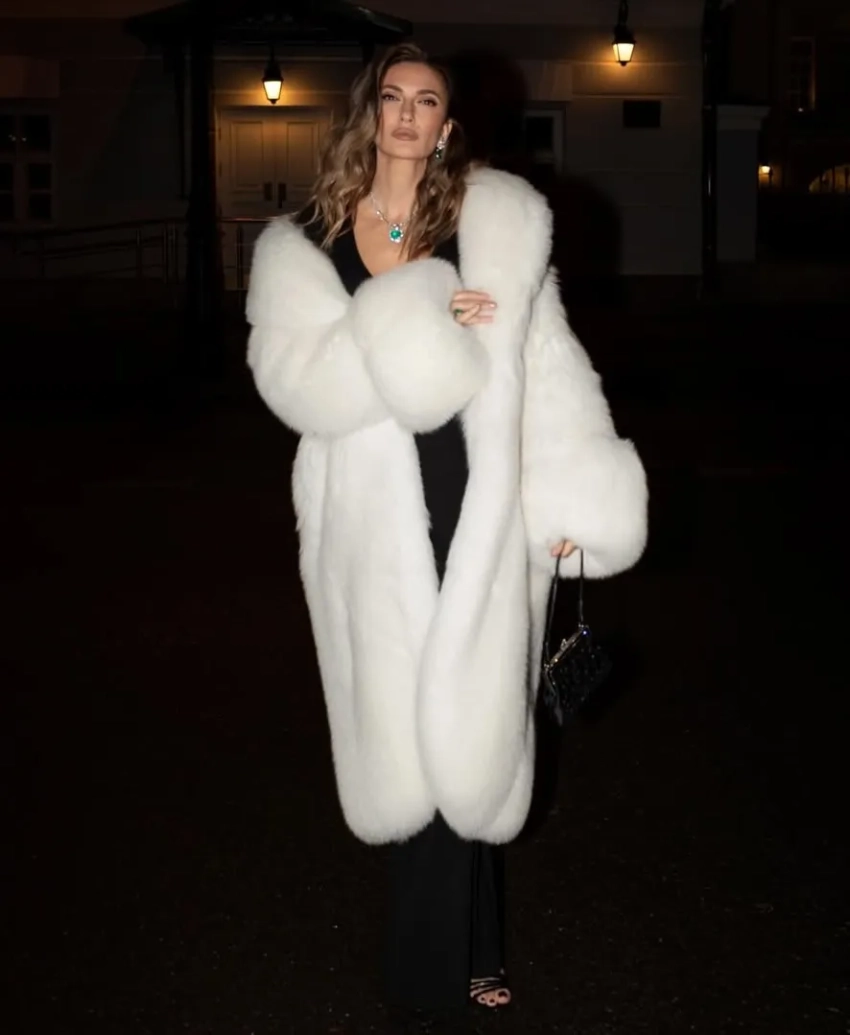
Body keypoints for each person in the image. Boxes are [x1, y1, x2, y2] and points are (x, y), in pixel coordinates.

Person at [246, 42, 648, 1013]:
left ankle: (451, 962)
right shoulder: (303, 242)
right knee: (416, 743)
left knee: (472, 729)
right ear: (368, 112)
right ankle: (451, 964)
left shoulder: (495, 225)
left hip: (481, 509)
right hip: (368, 524)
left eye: (426, 101)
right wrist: (421, 316)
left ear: (446, 124)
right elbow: (296, 385)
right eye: (392, 97)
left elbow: (548, 363)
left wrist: (570, 498)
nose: (407, 114)